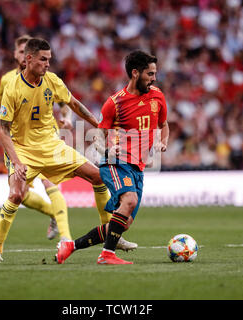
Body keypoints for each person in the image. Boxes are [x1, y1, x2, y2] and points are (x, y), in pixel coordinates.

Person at [0, 38, 137, 264]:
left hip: (52, 146)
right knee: (16, 195)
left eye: (49, 59)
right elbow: (3, 132)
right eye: (43, 59)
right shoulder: (12, 87)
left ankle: (111, 235)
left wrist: (100, 126)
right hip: (23, 149)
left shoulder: (52, 80)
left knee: (98, 176)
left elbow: (74, 104)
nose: (48, 64)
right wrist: (17, 162)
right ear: (29, 59)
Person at [56, 50, 169, 265]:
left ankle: (71, 246)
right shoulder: (115, 103)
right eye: (150, 74)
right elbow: (98, 135)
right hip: (115, 163)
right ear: (135, 73)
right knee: (130, 200)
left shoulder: (157, 96)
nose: (154, 78)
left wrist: (163, 140)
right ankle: (107, 255)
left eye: (155, 73)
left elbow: (164, 125)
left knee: (122, 224)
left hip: (137, 167)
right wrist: (106, 150)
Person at [0, 34, 73, 242]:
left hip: (45, 138)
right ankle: (53, 214)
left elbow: (65, 105)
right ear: (16, 54)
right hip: (19, 143)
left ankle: (66, 239)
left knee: (51, 184)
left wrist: (66, 118)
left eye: (25, 52)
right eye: (19, 51)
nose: (22, 56)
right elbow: (2, 114)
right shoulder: (7, 81)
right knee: (20, 195)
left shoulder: (47, 78)